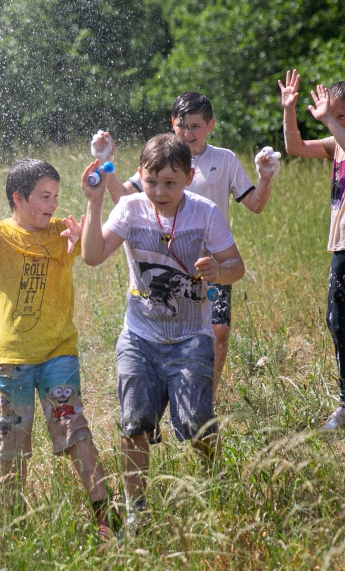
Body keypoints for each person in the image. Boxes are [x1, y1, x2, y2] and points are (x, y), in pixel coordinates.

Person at [81, 133, 246, 530]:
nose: (159, 191)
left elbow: (236, 266)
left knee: (197, 423)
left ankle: (217, 491)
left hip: (192, 337)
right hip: (139, 337)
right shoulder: (130, 209)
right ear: (140, 175)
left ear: (188, 178)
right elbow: (91, 256)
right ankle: (137, 509)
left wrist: (217, 272)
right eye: (152, 182)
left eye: (170, 183)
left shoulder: (204, 212)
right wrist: (94, 201)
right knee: (134, 423)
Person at [0, 155, 117, 541]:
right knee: (11, 447)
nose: (53, 204)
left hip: (59, 355)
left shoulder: (62, 231)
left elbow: (95, 249)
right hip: (12, 361)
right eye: (44, 196)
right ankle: (13, 529)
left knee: (75, 432)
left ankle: (107, 517)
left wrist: (92, 210)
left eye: (56, 196)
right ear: (18, 199)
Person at [102, 93, 281, 404]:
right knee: (166, 327)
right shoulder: (161, 158)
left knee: (219, 329)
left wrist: (265, 178)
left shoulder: (224, 159)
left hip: (209, 264)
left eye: (195, 126)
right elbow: (123, 200)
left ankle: (204, 397)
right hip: (162, 262)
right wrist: (108, 166)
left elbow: (255, 204)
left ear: (210, 125)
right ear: (172, 124)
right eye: (181, 126)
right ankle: (167, 389)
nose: (187, 133)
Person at [279, 69, 345, 429]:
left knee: (340, 321)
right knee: (337, 320)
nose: (335, 121)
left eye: (342, 115)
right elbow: (294, 147)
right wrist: (289, 110)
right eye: (332, 115)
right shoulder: (338, 141)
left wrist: (327, 119)